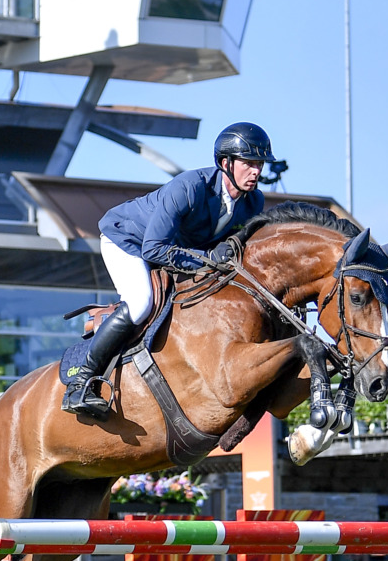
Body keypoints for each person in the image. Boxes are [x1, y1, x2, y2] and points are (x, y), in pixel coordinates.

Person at [63, 122, 274, 416]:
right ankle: (80, 384)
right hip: (129, 241)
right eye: (249, 163)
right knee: (141, 303)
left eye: (260, 164)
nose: (256, 172)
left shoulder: (253, 202)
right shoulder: (189, 186)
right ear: (225, 163)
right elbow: (154, 249)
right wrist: (209, 259)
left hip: (175, 250)